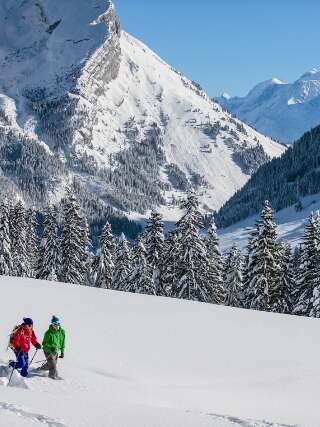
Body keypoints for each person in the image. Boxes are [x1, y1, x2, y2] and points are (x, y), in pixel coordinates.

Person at [40, 315, 65, 380]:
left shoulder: (62, 332)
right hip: (48, 350)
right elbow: (44, 344)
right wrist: (51, 347)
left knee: (51, 364)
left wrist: (62, 352)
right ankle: (52, 377)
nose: (56, 326)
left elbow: (62, 342)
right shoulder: (48, 333)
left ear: (59, 324)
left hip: (55, 351)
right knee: (53, 365)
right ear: (52, 324)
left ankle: (40, 369)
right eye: (54, 324)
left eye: (57, 324)